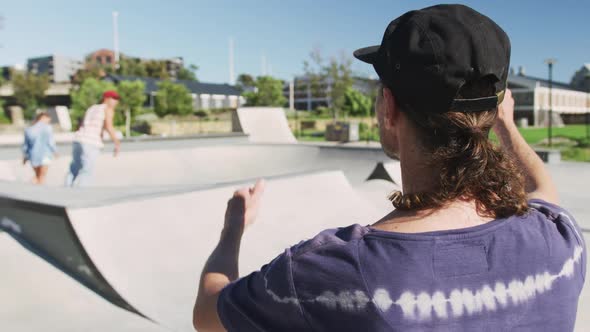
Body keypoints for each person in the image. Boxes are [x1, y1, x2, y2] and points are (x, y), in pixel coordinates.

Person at [193, 5, 586, 331]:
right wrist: (506, 123)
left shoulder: (329, 275)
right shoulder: (560, 242)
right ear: (494, 108)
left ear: (389, 106)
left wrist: (233, 231)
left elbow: (209, 313)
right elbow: (542, 187)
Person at [65, 90, 121, 187]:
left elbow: (82, 124)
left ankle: (66, 188)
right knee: (87, 169)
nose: (116, 102)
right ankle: (81, 192)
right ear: (106, 98)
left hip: (78, 139)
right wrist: (117, 143)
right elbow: (109, 126)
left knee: (74, 167)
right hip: (91, 142)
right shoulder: (107, 109)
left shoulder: (92, 108)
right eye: (114, 99)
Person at [22, 112, 57, 184]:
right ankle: (39, 192)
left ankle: (33, 188)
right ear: (43, 118)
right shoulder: (47, 128)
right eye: (48, 119)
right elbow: (50, 141)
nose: (48, 121)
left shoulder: (29, 129)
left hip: (33, 155)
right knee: (42, 176)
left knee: (37, 175)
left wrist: (25, 157)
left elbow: (26, 145)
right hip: (45, 154)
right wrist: (55, 151)